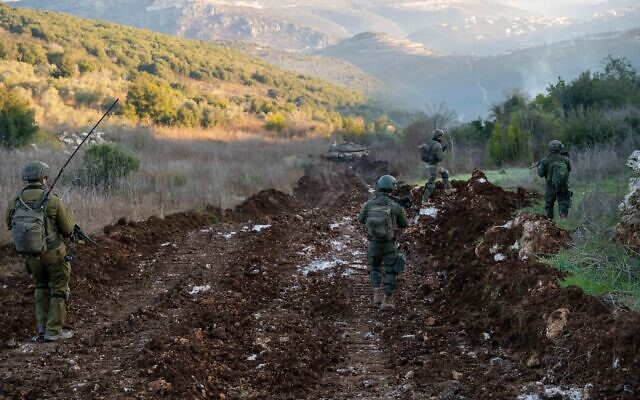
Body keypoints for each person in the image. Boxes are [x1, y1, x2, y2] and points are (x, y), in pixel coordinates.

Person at [4, 161, 75, 341]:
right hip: (53, 253)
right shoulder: (52, 199)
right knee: (58, 289)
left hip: (31, 257)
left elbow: (8, 224)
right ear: (44, 178)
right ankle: (53, 331)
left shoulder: (16, 200)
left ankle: (42, 330)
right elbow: (67, 229)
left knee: (41, 287)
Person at [357, 175, 409, 310]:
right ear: (393, 187)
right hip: (389, 244)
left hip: (373, 243)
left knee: (373, 267)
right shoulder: (396, 205)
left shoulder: (370, 203)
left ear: (379, 186)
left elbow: (360, 220)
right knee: (390, 270)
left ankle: (376, 294)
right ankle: (386, 300)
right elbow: (404, 224)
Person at [537, 140, 572, 220]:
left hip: (550, 186)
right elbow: (569, 169)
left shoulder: (545, 160)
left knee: (549, 203)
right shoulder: (565, 159)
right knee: (563, 201)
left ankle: (549, 220)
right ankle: (563, 217)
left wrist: (539, 167)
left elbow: (541, 174)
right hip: (563, 185)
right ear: (559, 148)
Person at [419, 129, 455, 204]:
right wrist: (444, 150)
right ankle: (424, 201)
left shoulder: (429, 143)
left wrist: (442, 149)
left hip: (429, 166)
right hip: (433, 167)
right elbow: (440, 158)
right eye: (442, 136)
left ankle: (448, 190)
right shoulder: (438, 145)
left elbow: (432, 153)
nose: (442, 138)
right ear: (439, 137)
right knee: (431, 184)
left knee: (445, 173)